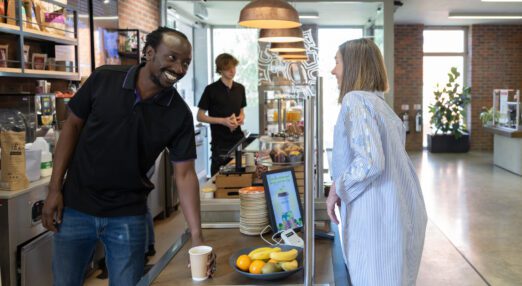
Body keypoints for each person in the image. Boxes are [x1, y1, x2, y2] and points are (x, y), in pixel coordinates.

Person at [42, 27, 215, 286]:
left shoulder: (178, 113)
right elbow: (72, 126)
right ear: (148, 53)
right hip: (76, 205)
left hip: (128, 214)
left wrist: (197, 235)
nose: (179, 69)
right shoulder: (104, 78)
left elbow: (185, 174)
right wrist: (55, 188)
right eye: (172, 58)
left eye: (186, 62)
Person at [326, 38, 427, 286]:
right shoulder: (379, 104)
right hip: (398, 210)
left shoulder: (355, 100)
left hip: (377, 217)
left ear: (353, 65)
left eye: (337, 62)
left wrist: (337, 187)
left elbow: (370, 162)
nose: (333, 70)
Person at [197, 53, 246, 175]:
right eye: (227, 67)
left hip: (238, 141)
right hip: (220, 143)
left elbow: (241, 111)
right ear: (220, 69)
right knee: (218, 178)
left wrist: (241, 117)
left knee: (239, 176)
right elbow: (200, 116)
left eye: (233, 67)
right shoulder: (211, 89)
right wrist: (223, 121)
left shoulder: (240, 88)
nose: (232, 70)